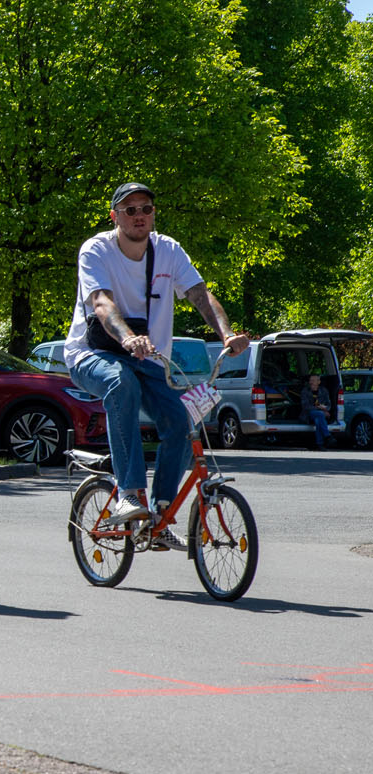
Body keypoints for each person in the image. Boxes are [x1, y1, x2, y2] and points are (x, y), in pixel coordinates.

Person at [63, 182, 249, 549]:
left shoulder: (167, 250)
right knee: (121, 384)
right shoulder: (96, 250)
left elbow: (199, 294)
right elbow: (101, 302)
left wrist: (227, 335)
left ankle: (160, 515)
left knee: (180, 420)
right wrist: (127, 337)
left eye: (145, 209)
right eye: (129, 210)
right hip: (92, 355)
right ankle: (129, 492)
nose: (139, 216)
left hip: (150, 359)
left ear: (153, 214)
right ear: (114, 215)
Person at [301, 373, 332, 449]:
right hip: (307, 414)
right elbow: (305, 406)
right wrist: (320, 409)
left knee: (318, 420)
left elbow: (329, 405)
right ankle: (327, 436)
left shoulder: (324, 391)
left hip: (320, 414)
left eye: (314, 380)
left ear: (319, 382)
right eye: (310, 380)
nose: (311, 382)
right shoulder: (305, 391)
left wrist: (326, 408)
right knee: (320, 414)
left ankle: (320, 444)